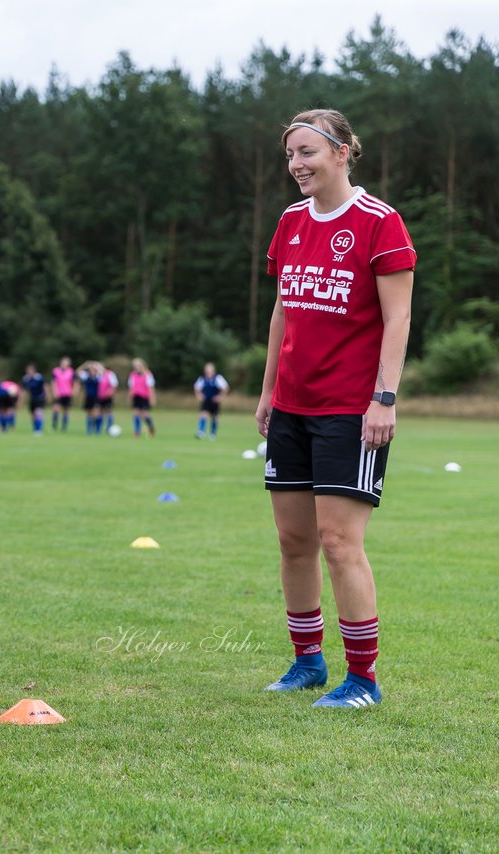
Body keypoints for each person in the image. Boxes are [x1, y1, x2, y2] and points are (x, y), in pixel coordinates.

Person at [256, 108, 414, 709]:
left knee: (339, 541)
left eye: (307, 153)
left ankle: (363, 679)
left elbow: (398, 319)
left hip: (352, 409)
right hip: (292, 407)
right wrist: (269, 391)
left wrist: (384, 399)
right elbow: (282, 310)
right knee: (293, 540)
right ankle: (306, 663)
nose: (296, 165)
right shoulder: (290, 222)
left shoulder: (380, 222)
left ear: (343, 152)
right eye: (290, 155)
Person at [193, 362, 228, 439]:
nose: (208, 372)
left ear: (213, 371)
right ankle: (201, 432)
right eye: (207, 370)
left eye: (209, 370)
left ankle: (213, 433)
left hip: (214, 401)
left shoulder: (218, 378)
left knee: (214, 417)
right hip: (205, 401)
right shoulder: (202, 378)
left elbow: (225, 387)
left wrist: (220, 397)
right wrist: (199, 396)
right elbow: (196, 388)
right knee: (203, 415)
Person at [128, 357, 156, 437]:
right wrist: (130, 397)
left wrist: (152, 398)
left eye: (139, 365)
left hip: (145, 397)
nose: (137, 367)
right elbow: (131, 387)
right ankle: (137, 432)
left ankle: (151, 428)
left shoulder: (148, 374)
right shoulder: (132, 374)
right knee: (136, 414)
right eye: (135, 366)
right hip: (136, 396)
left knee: (145, 415)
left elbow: (151, 388)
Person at [50, 356, 76, 432]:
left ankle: (64, 427)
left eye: (66, 362)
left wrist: (74, 391)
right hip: (59, 393)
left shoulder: (71, 371)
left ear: (68, 364)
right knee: (56, 409)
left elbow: (74, 382)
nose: (64, 364)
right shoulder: (56, 371)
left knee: (66, 411)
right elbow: (53, 382)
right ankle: (54, 425)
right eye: (63, 362)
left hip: (67, 393)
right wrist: (54, 391)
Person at [20, 362, 47, 434]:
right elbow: (23, 390)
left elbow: (45, 387)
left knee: (38, 412)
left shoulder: (39, 377)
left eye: (31, 370)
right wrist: (20, 401)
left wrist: (47, 395)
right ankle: (35, 428)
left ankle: (39, 430)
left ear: (34, 370)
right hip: (32, 398)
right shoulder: (25, 379)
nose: (30, 372)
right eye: (28, 370)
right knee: (33, 415)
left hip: (40, 397)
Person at [77, 361, 101, 435]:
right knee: (89, 414)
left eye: (94, 370)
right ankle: (89, 430)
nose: (92, 371)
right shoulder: (86, 377)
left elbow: (103, 371)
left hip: (96, 397)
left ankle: (97, 430)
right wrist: (85, 365)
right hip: (88, 397)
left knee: (96, 413)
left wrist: (97, 365)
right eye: (91, 370)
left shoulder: (98, 377)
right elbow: (78, 371)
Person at [97, 363, 119, 434]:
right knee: (100, 412)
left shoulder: (110, 374)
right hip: (100, 397)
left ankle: (109, 427)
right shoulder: (98, 375)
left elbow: (114, 385)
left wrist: (110, 392)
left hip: (108, 397)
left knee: (108, 411)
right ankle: (99, 428)